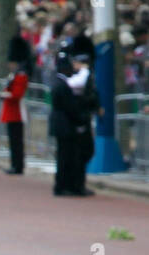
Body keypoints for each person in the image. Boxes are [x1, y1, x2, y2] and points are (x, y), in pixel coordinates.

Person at [51, 36, 100, 196]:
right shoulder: (63, 84)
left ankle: (68, 184)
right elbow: (69, 106)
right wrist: (80, 119)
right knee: (66, 157)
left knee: (68, 156)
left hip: (64, 123)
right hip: (66, 124)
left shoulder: (61, 82)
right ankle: (66, 185)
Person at [0, 53, 31, 174]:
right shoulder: (13, 75)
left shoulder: (21, 76)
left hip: (16, 112)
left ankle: (18, 166)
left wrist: (3, 95)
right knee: (13, 140)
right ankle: (14, 164)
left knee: (17, 141)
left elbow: (16, 94)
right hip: (11, 112)